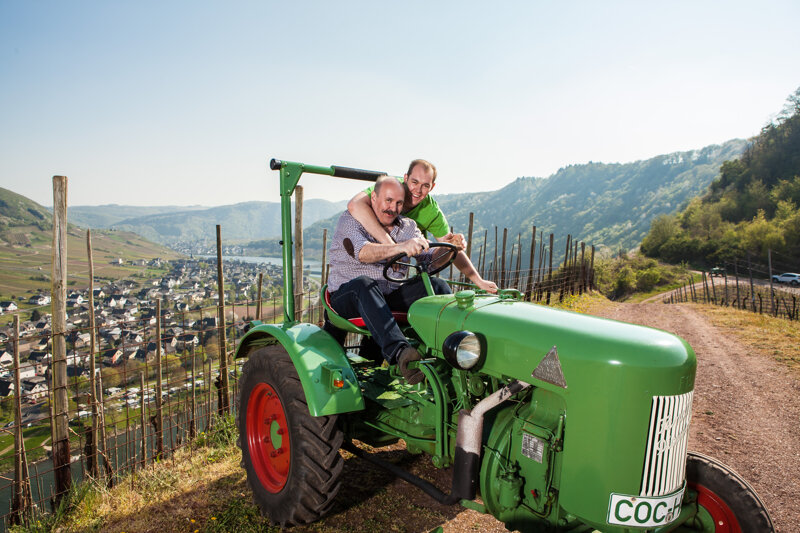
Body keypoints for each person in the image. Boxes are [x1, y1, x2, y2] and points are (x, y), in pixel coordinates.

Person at [326, 176, 453, 384]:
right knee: (364, 284)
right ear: (373, 197)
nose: (393, 208)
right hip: (348, 296)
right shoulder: (350, 220)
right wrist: (399, 247)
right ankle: (401, 353)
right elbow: (363, 253)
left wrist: (450, 248)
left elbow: (431, 261)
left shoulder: (408, 228)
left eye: (399, 203)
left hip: (386, 297)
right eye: (388, 200)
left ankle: (449, 350)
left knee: (437, 286)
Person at [347, 159, 498, 293]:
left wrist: (478, 281)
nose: (418, 190)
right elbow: (355, 204)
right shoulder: (390, 188)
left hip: (393, 276)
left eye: (425, 185)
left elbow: (448, 247)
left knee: (438, 287)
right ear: (405, 178)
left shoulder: (431, 211)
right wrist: (391, 246)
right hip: (364, 269)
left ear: (432, 187)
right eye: (414, 182)